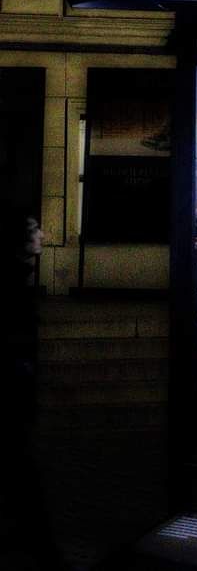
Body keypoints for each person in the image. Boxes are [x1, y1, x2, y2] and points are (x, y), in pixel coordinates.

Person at [0, 204, 66, 568]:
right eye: (36, 229)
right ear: (21, 241)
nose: (43, 235)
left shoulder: (19, 276)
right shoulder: (13, 282)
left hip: (17, 395)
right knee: (24, 479)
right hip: (12, 397)